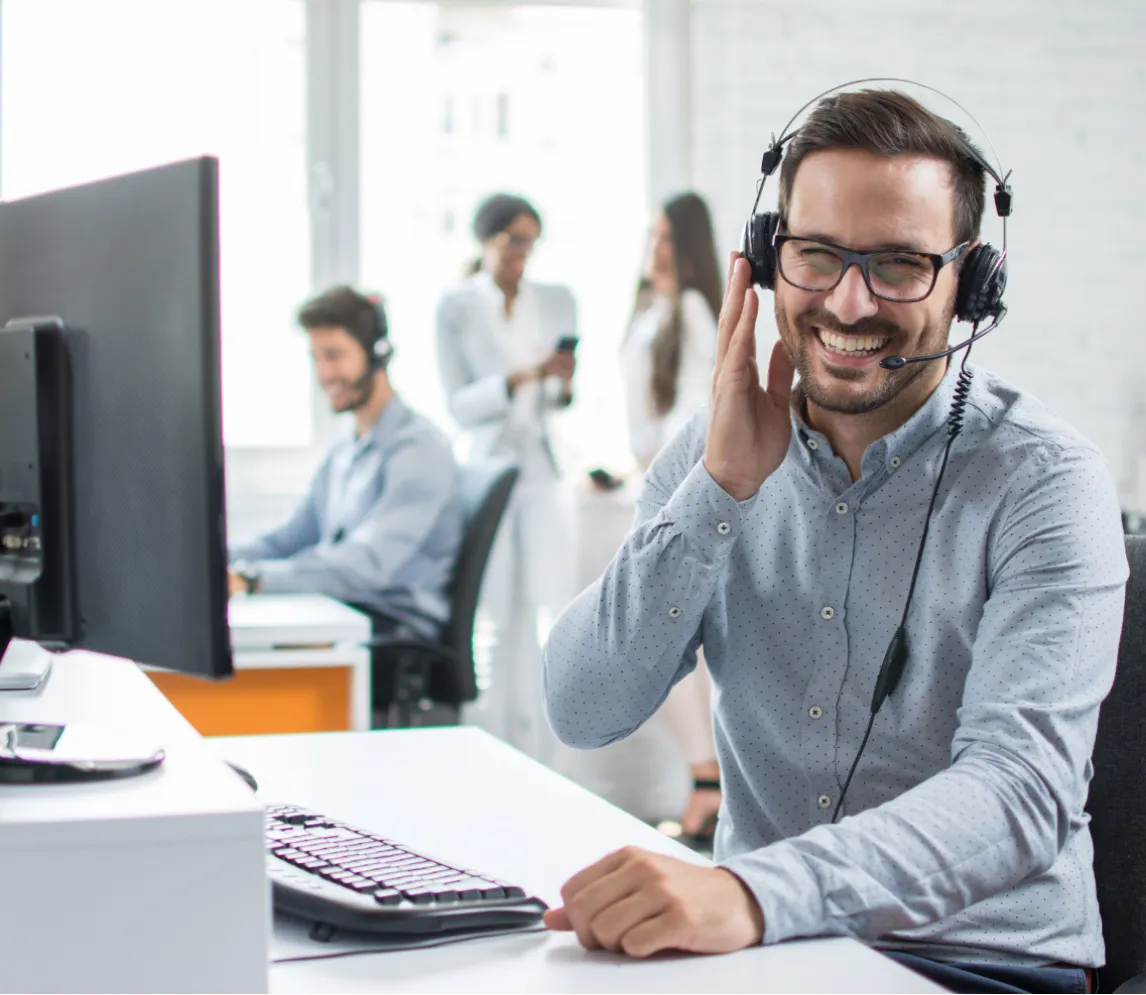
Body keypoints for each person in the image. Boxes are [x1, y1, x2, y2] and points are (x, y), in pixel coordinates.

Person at [541, 88, 1126, 994]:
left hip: (981, 963)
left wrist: (750, 892)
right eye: (818, 256)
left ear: (971, 281)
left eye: (899, 264)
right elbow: (582, 706)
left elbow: (1021, 792)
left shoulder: (1044, 483)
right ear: (772, 261)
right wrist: (719, 490)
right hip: (768, 960)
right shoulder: (711, 453)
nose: (850, 302)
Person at [229, 285, 463, 646]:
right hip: (344, 611)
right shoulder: (344, 452)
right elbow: (289, 538)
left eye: (334, 355)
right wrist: (217, 560)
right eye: (316, 358)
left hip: (392, 630)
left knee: (250, 653)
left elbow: (366, 564)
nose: (324, 373)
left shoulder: (418, 451)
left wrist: (251, 579)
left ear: (377, 354)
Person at [435, 193, 578, 764]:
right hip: (488, 469)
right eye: (512, 241)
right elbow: (458, 405)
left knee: (548, 614)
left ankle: (552, 759)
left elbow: (564, 399)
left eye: (530, 242)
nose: (522, 255)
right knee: (492, 618)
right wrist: (518, 377)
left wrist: (561, 380)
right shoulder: (458, 307)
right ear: (485, 241)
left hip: (543, 469)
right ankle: (487, 752)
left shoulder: (557, 300)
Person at [622, 192, 723, 841]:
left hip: (679, 494)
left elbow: (697, 411)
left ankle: (707, 784)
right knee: (670, 648)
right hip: (652, 486)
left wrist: (654, 465)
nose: (656, 248)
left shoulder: (689, 309)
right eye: (652, 235)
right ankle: (706, 786)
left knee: (663, 647)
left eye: (667, 238)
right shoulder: (653, 307)